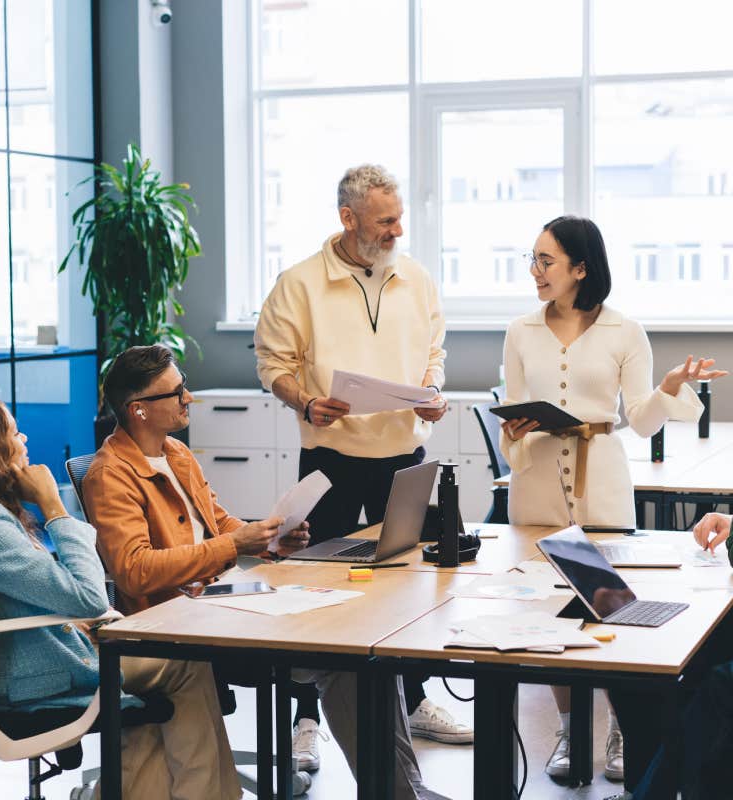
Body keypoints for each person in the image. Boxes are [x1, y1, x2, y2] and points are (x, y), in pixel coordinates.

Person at [83, 344, 448, 800]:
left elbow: (220, 524)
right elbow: (134, 571)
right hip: (177, 624)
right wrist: (233, 545)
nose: (188, 398)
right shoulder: (110, 475)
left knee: (367, 648)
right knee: (347, 659)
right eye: (176, 392)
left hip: (223, 602)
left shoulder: (174, 453)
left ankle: (404, 789)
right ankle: (399, 793)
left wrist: (270, 539)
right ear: (139, 411)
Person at [254, 163, 472, 771]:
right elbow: (273, 362)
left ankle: (415, 698)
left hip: (403, 453)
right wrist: (305, 399)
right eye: (386, 220)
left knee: (405, 584)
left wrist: (432, 386)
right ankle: (306, 718)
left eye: (399, 217)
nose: (398, 229)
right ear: (348, 220)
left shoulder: (417, 279)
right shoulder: (299, 283)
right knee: (312, 591)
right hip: (330, 456)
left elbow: (435, 350)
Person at [499, 214, 726, 794]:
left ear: (581, 268)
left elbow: (639, 417)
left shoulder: (626, 330)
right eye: (533, 258)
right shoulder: (521, 330)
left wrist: (670, 388)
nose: (535, 271)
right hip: (538, 482)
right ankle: (572, 729)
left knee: (609, 608)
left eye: (545, 261)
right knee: (548, 612)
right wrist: (518, 429)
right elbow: (513, 416)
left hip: (602, 477)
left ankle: (624, 726)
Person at [0, 387, 242, 800]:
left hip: (24, 662)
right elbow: (88, 596)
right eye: (12, 433)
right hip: (30, 679)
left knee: (149, 713)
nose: (23, 441)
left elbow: (27, 594)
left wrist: (88, 620)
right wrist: (54, 507)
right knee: (184, 664)